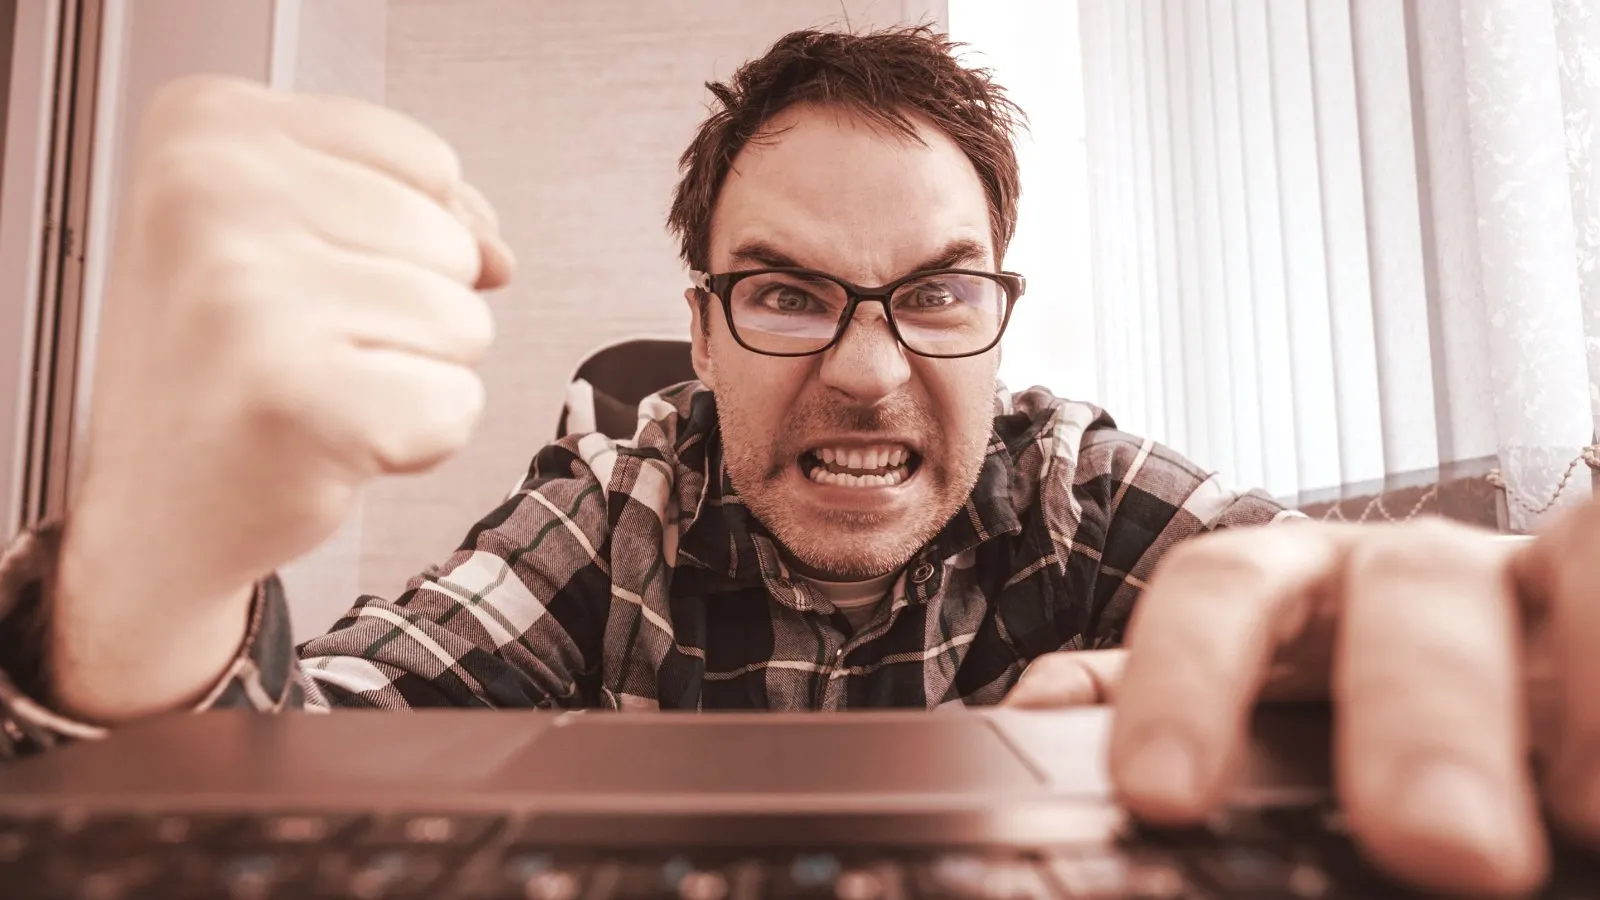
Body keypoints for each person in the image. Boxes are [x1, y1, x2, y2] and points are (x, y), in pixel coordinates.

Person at [0, 24, 1592, 897]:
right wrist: (156, 564)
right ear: (698, 334)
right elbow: (291, 770)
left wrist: (1486, 645)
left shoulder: (1077, 489)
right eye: (783, 293)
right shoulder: (613, 503)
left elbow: (1325, 614)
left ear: (994, 312)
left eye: (938, 292)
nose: (868, 365)